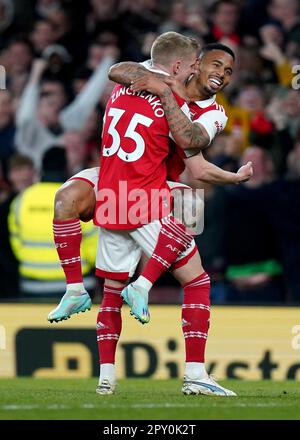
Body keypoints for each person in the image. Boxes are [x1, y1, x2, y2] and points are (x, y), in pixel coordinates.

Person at [50, 37, 252, 396]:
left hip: (145, 182)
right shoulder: (151, 72)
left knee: (188, 204)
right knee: (67, 199)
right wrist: (159, 83)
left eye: (229, 71)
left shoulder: (214, 111)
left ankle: (136, 295)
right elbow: (118, 70)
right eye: (215, 65)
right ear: (194, 64)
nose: (221, 74)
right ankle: (98, 319)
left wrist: (233, 176)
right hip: (129, 180)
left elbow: (196, 154)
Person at [8, 147, 98, 298]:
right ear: (66, 167)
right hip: (76, 284)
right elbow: (93, 244)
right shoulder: (79, 197)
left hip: (32, 285)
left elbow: (16, 242)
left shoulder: (22, 200)